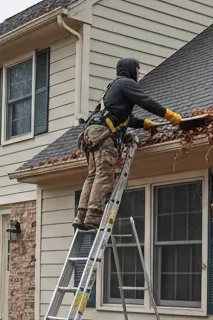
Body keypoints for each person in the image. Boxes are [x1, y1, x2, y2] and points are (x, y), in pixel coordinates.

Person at [73, 58, 183, 230]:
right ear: (131, 69)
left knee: (93, 174)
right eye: (138, 70)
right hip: (103, 135)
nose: (139, 73)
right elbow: (146, 101)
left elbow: (123, 118)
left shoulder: (113, 87)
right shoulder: (126, 83)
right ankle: (93, 215)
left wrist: (144, 123)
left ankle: (81, 215)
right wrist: (169, 115)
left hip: (91, 134)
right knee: (104, 173)